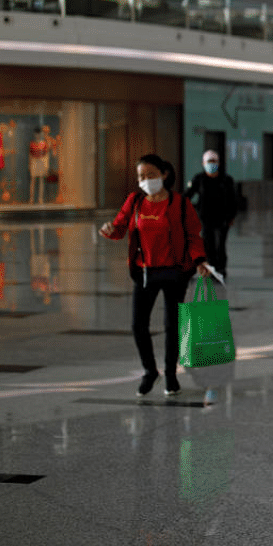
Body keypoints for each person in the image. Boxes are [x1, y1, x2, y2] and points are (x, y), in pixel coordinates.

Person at [99, 154, 210, 397]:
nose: (146, 180)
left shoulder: (180, 203)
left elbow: (193, 235)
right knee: (138, 325)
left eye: (151, 175)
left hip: (175, 272)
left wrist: (200, 260)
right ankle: (150, 371)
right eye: (141, 176)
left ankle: (171, 374)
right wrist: (109, 230)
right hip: (145, 272)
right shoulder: (135, 202)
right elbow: (119, 227)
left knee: (172, 326)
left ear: (164, 174)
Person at [182, 149, 237, 277]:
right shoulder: (199, 179)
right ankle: (211, 268)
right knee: (208, 244)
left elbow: (233, 200)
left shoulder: (226, 179)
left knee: (220, 244)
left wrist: (232, 216)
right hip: (206, 218)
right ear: (203, 163)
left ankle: (221, 269)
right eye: (209, 161)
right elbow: (188, 194)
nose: (211, 164)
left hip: (223, 218)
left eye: (214, 161)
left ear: (218, 163)